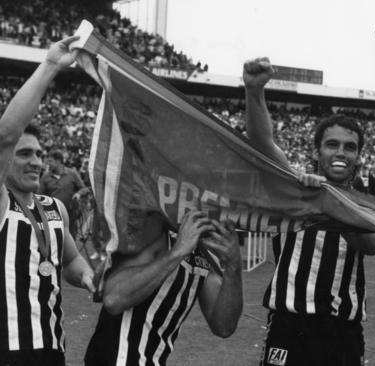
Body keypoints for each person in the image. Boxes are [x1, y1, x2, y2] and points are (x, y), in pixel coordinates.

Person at [243, 57, 375, 366]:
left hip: (342, 331)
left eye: (350, 147)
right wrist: (254, 91)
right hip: (290, 325)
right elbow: (262, 142)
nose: (341, 153)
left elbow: (373, 245)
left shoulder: (364, 202)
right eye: (332, 144)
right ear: (316, 151)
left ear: (358, 155)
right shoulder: (292, 185)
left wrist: (331, 204)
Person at [0, 36, 95, 365]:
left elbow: (69, 262)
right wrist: (51, 65)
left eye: (39, 154)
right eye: (24, 154)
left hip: (53, 349)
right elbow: (7, 134)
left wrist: (87, 277)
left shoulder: (54, 208)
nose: (37, 162)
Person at [84, 210, 243, 366]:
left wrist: (233, 265)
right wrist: (178, 251)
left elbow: (223, 326)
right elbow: (113, 299)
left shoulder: (207, 248)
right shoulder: (154, 225)